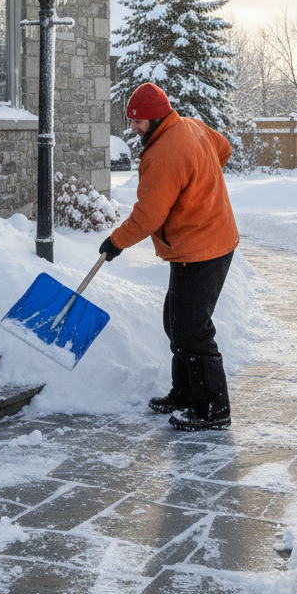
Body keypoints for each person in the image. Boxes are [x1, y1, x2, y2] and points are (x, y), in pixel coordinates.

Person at [98, 82, 240, 431]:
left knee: (192, 330)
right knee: (176, 323)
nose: (133, 128)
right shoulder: (191, 126)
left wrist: (116, 242)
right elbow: (223, 149)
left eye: (138, 121)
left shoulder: (162, 155)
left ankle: (213, 410)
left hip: (202, 247)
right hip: (204, 241)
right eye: (132, 120)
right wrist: (199, 184)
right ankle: (186, 394)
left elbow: (148, 216)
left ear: (157, 117)